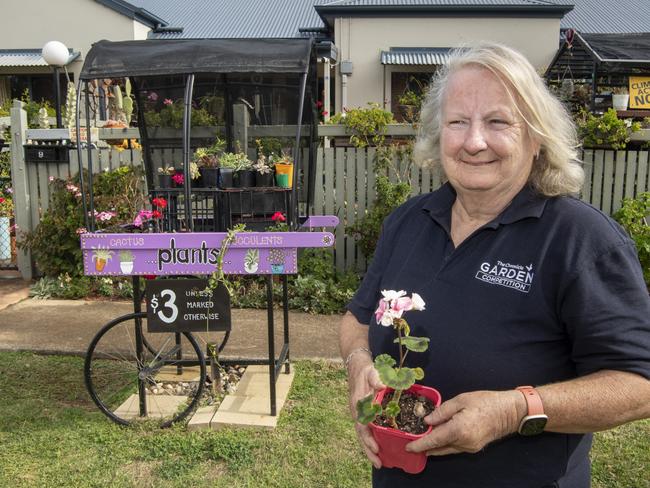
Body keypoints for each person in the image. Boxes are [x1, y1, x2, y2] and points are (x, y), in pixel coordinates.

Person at [341, 42, 650, 488]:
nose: (473, 141)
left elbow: (638, 382)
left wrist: (513, 411)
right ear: (437, 132)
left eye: (497, 121)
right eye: (457, 122)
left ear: (535, 136)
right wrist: (358, 363)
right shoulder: (409, 220)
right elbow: (358, 316)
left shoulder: (580, 240)